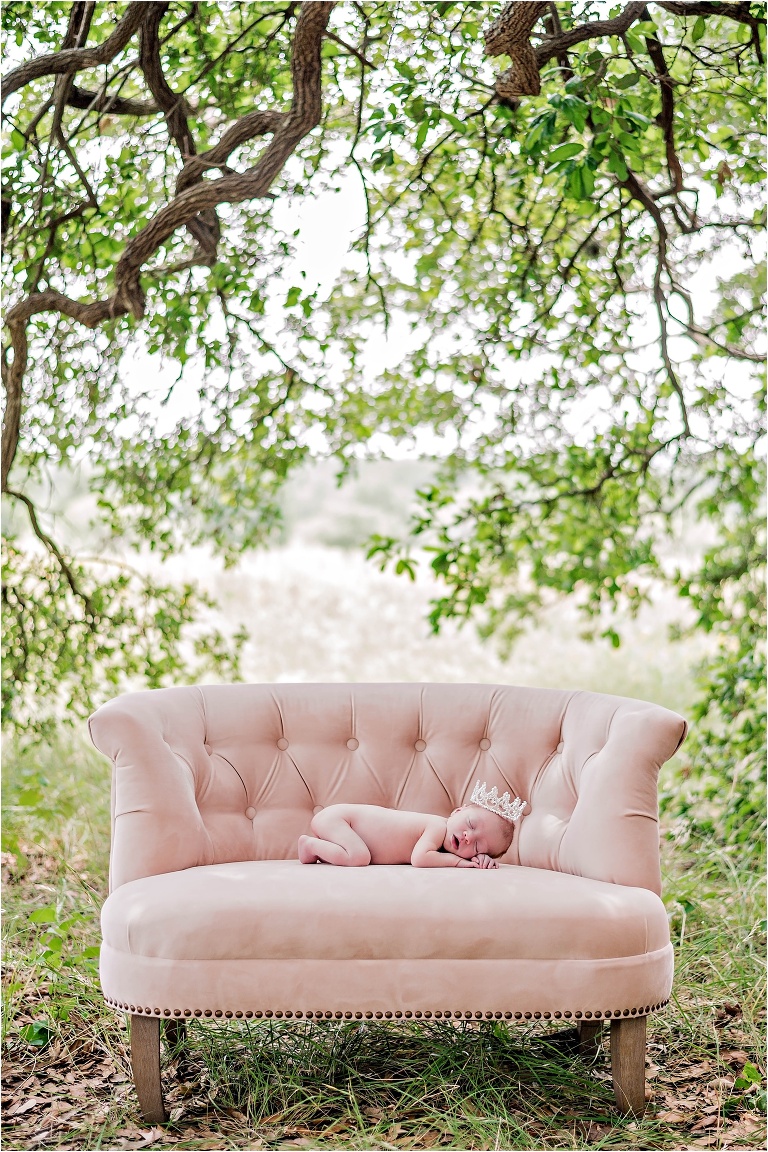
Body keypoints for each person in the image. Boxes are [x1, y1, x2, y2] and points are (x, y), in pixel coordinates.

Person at [298, 793, 518, 870]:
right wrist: (462, 863)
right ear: (458, 811)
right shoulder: (437, 826)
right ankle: (310, 845)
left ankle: (318, 851)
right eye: (470, 824)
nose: (469, 837)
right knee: (359, 856)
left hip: (342, 824)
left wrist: (481, 860)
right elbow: (419, 858)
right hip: (340, 819)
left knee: (357, 853)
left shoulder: (444, 845)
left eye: (478, 846)